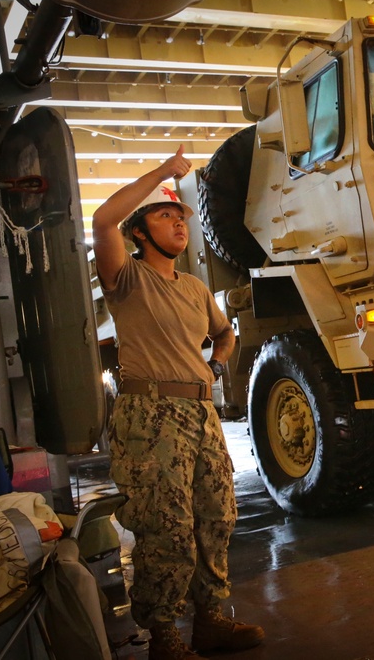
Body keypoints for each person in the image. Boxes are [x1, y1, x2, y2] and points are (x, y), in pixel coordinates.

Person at [92, 146, 264, 660]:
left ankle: (210, 621)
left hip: (200, 412)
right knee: (164, 526)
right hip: (150, 416)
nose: (178, 223)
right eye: (164, 216)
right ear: (141, 231)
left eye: (180, 215)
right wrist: (164, 174)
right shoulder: (127, 278)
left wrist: (215, 365)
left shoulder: (193, 287)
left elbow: (224, 334)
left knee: (217, 516)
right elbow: (103, 219)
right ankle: (164, 637)